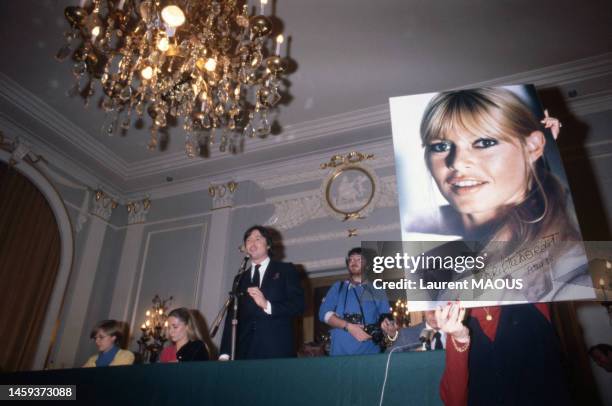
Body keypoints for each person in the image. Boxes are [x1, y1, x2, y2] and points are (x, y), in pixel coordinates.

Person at [414, 88, 572, 406]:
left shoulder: (545, 255)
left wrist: (549, 155)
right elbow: (454, 399)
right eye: (442, 146)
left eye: (484, 142)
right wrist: (456, 338)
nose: (457, 162)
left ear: (532, 147)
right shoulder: (436, 264)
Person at [219, 225, 304, 360]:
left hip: (277, 350)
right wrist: (225, 352)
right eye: (248, 240)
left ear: (268, 245)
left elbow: (299, 305)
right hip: (245, 352)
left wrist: (267, 305)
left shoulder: (286, 270)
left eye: (257, 238)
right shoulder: (240, 278)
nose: (252, 242)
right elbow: (232, 316)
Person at [319, 247, 391, 356]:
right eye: (351, 259)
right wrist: (349, 327)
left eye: (358, 259)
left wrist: (389, 328)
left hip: (369, 352)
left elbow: (386, 320)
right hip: (339, 354)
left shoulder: (377, 290)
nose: (353, 262)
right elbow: (323, 314)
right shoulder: (338, 287)